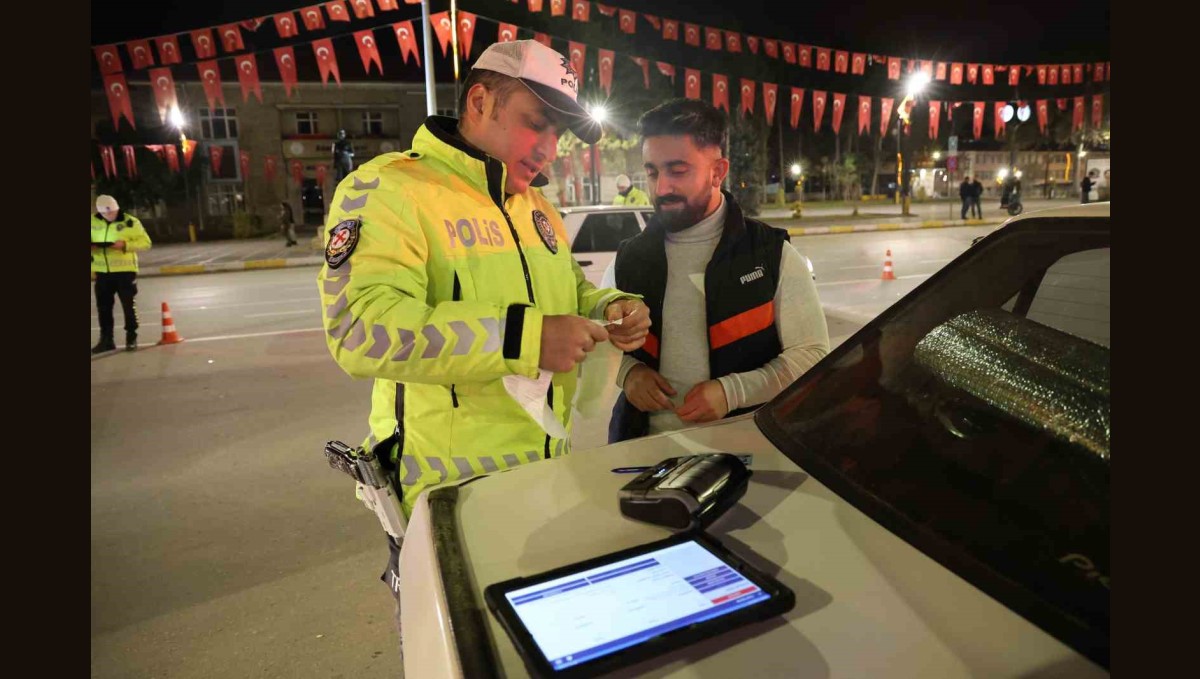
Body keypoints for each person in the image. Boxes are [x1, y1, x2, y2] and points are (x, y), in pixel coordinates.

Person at [315, 39, 651, 648]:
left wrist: (611, 308)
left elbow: (570, 294)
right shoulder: (390, 191)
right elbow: (359, 328)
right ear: (478, 101)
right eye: (536, 124)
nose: (549, 149)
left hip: (545, 482)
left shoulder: (535, 207)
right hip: (447, 505)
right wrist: (525, 337)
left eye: (560, 134)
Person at [603, 98, 830, 442]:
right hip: (641, 450)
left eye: (678, 171)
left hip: (752, 449)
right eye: (652, 172)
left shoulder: (770, 254)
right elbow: (599, 344)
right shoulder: (628, 260)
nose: (662, 188)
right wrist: (629, 374)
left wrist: (733, 392)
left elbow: (812, 355)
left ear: (718, 171)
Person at [91, 195, 152, 354]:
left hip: (125, 272)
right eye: (106, 214)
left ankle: (131, 337)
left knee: (128, 306)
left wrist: (125, 245)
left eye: (113, 213)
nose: (110, 216)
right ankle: (106, 340)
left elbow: (146, 243)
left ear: (117, 208)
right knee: (103, 308)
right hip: (102, 273)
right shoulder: (92, 222)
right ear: (99, 212)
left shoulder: (130, 222)